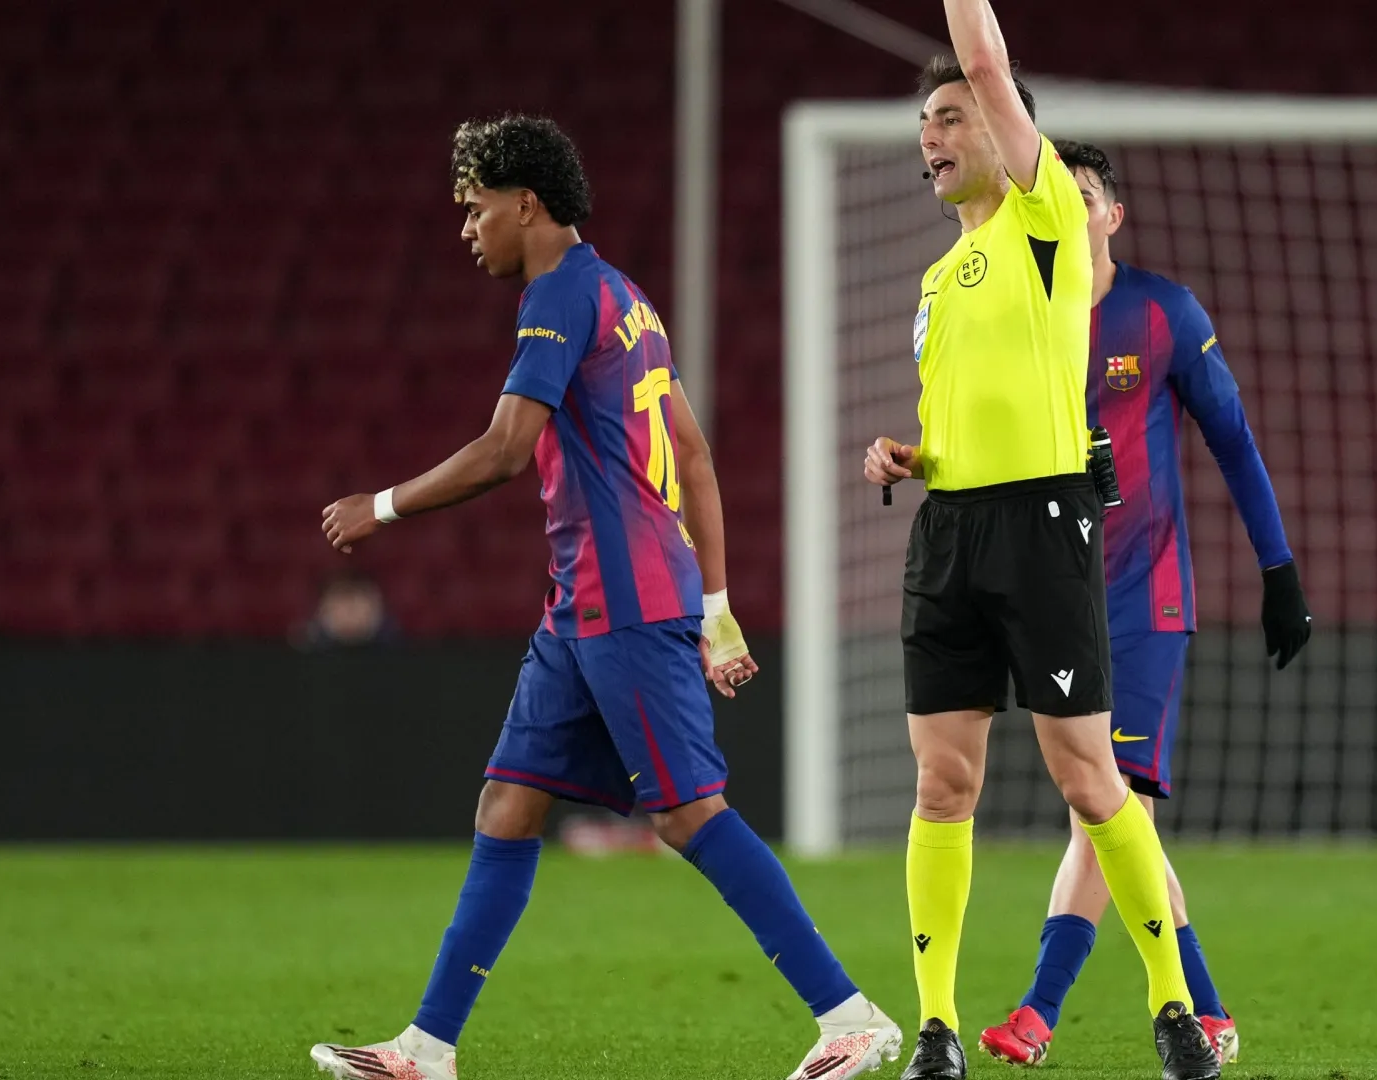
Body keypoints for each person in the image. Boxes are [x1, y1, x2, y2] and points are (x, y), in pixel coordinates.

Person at [314, 114, 902, 1080]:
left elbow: (506, 449)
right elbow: (697, 456)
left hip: (624, 599)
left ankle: (851, 1016)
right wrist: (714, 607)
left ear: (526, 203)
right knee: (508, 804)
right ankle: (426, 1048)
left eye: (475, 209)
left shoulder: (558, 298)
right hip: (583, 604)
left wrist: (382, 505)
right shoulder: (628, 299)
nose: (467, 229)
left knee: (686, 814)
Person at [861, 6, 1219, 1078]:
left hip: (1046, 526)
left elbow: (983, 53)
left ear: (1004, 126)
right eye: (923, 122)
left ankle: (1173, 1007)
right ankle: (936, 1029)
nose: (931, 135)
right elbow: (973, 418)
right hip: (951, 534)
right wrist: (912, 457)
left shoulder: (1047, 214)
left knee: (1086, 775)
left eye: (951, 116)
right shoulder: (936, 284)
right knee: (940, 786)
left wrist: (978, 53)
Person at [978, 142, 1312, 1070]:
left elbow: (1234, 440)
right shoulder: (1019, 318)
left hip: (1147, 596)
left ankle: (1039, 1011)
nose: (1070, 209)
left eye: (1084, 196)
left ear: (1111, 216)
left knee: (1107, 806)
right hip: (1056, 595)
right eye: (1054, 197)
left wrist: (1277, 571)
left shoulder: (1162, 312)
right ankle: (1206, 1011)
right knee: (1117, 819)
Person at [296, 570, 396, 648]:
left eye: (356, 607)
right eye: (341, 606)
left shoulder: (398, 652)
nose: (350, 615)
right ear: (322, 610)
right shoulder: (302, 652)